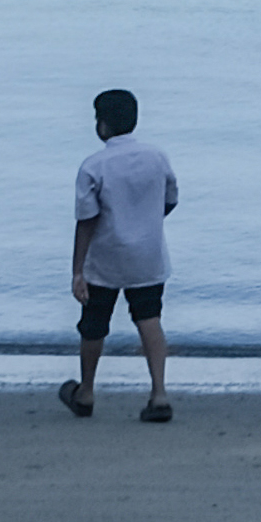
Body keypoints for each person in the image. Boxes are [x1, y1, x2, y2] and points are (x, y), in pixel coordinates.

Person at [60, 89, 180, 421]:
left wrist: (77, 270)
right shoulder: (157, 157)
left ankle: (86, 392)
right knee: (149, 319)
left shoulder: (94, 166)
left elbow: (86, 221)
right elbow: (170, 200)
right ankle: (159, 394)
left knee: (94, 324)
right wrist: (145, 222)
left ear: (102, 126)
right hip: (149, 255)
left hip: (106, 257)